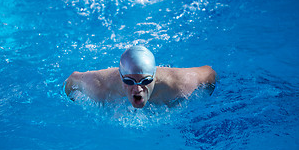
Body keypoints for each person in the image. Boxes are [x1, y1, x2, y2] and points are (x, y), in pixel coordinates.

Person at [64, 45, 216, 108]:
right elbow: (71, 81)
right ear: (120, 76)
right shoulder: (99, 87)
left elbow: (209, 72)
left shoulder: (178, 84)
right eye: (129, 81)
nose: (137, 89)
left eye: (146, 81)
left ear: (155, 77)